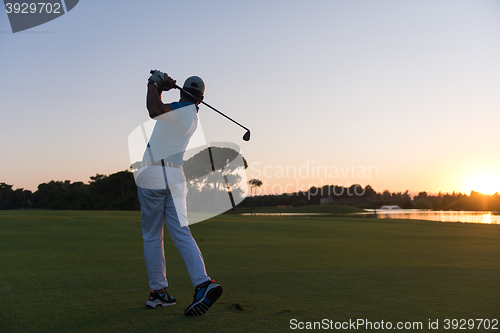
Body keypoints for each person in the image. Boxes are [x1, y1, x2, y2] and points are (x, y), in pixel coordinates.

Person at [136, 70, 222, 316]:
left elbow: (154, 110)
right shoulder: (191, 114)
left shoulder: (179, 110)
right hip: (175, 176)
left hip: (153, 173)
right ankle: (203, 283)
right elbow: (160, 107)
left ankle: (158, 292)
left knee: (152, 235)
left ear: (186, 92)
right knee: (182, 233)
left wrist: (153, 83)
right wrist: (162, 87)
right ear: (201, 100)